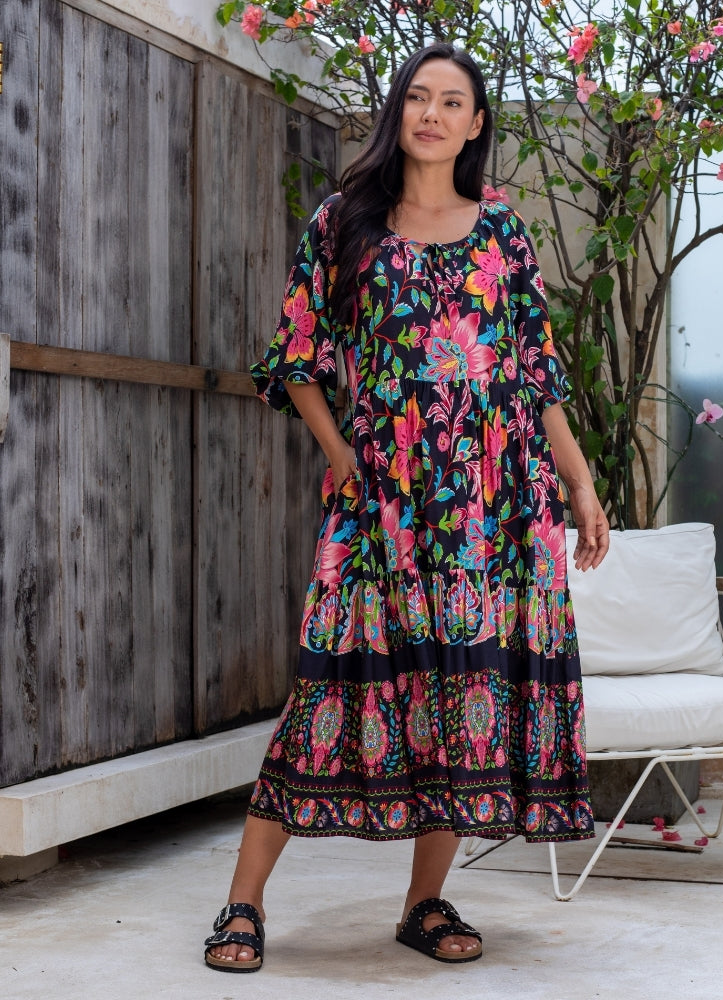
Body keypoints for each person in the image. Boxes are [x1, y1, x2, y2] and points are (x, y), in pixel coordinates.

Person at [204, 41, 609, 973]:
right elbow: (296, 355)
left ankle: (425, 903)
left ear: (474, 125)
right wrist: (341, 453)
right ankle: (241, 903)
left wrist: (580, 487)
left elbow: (537, 379)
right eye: (417, 97)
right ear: (401, 114)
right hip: (381, 508)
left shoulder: (503, 233)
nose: (432, 113)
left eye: (452, 101)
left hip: (497, 513)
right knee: (324, 691)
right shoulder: (346, 222)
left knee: (465, 694)